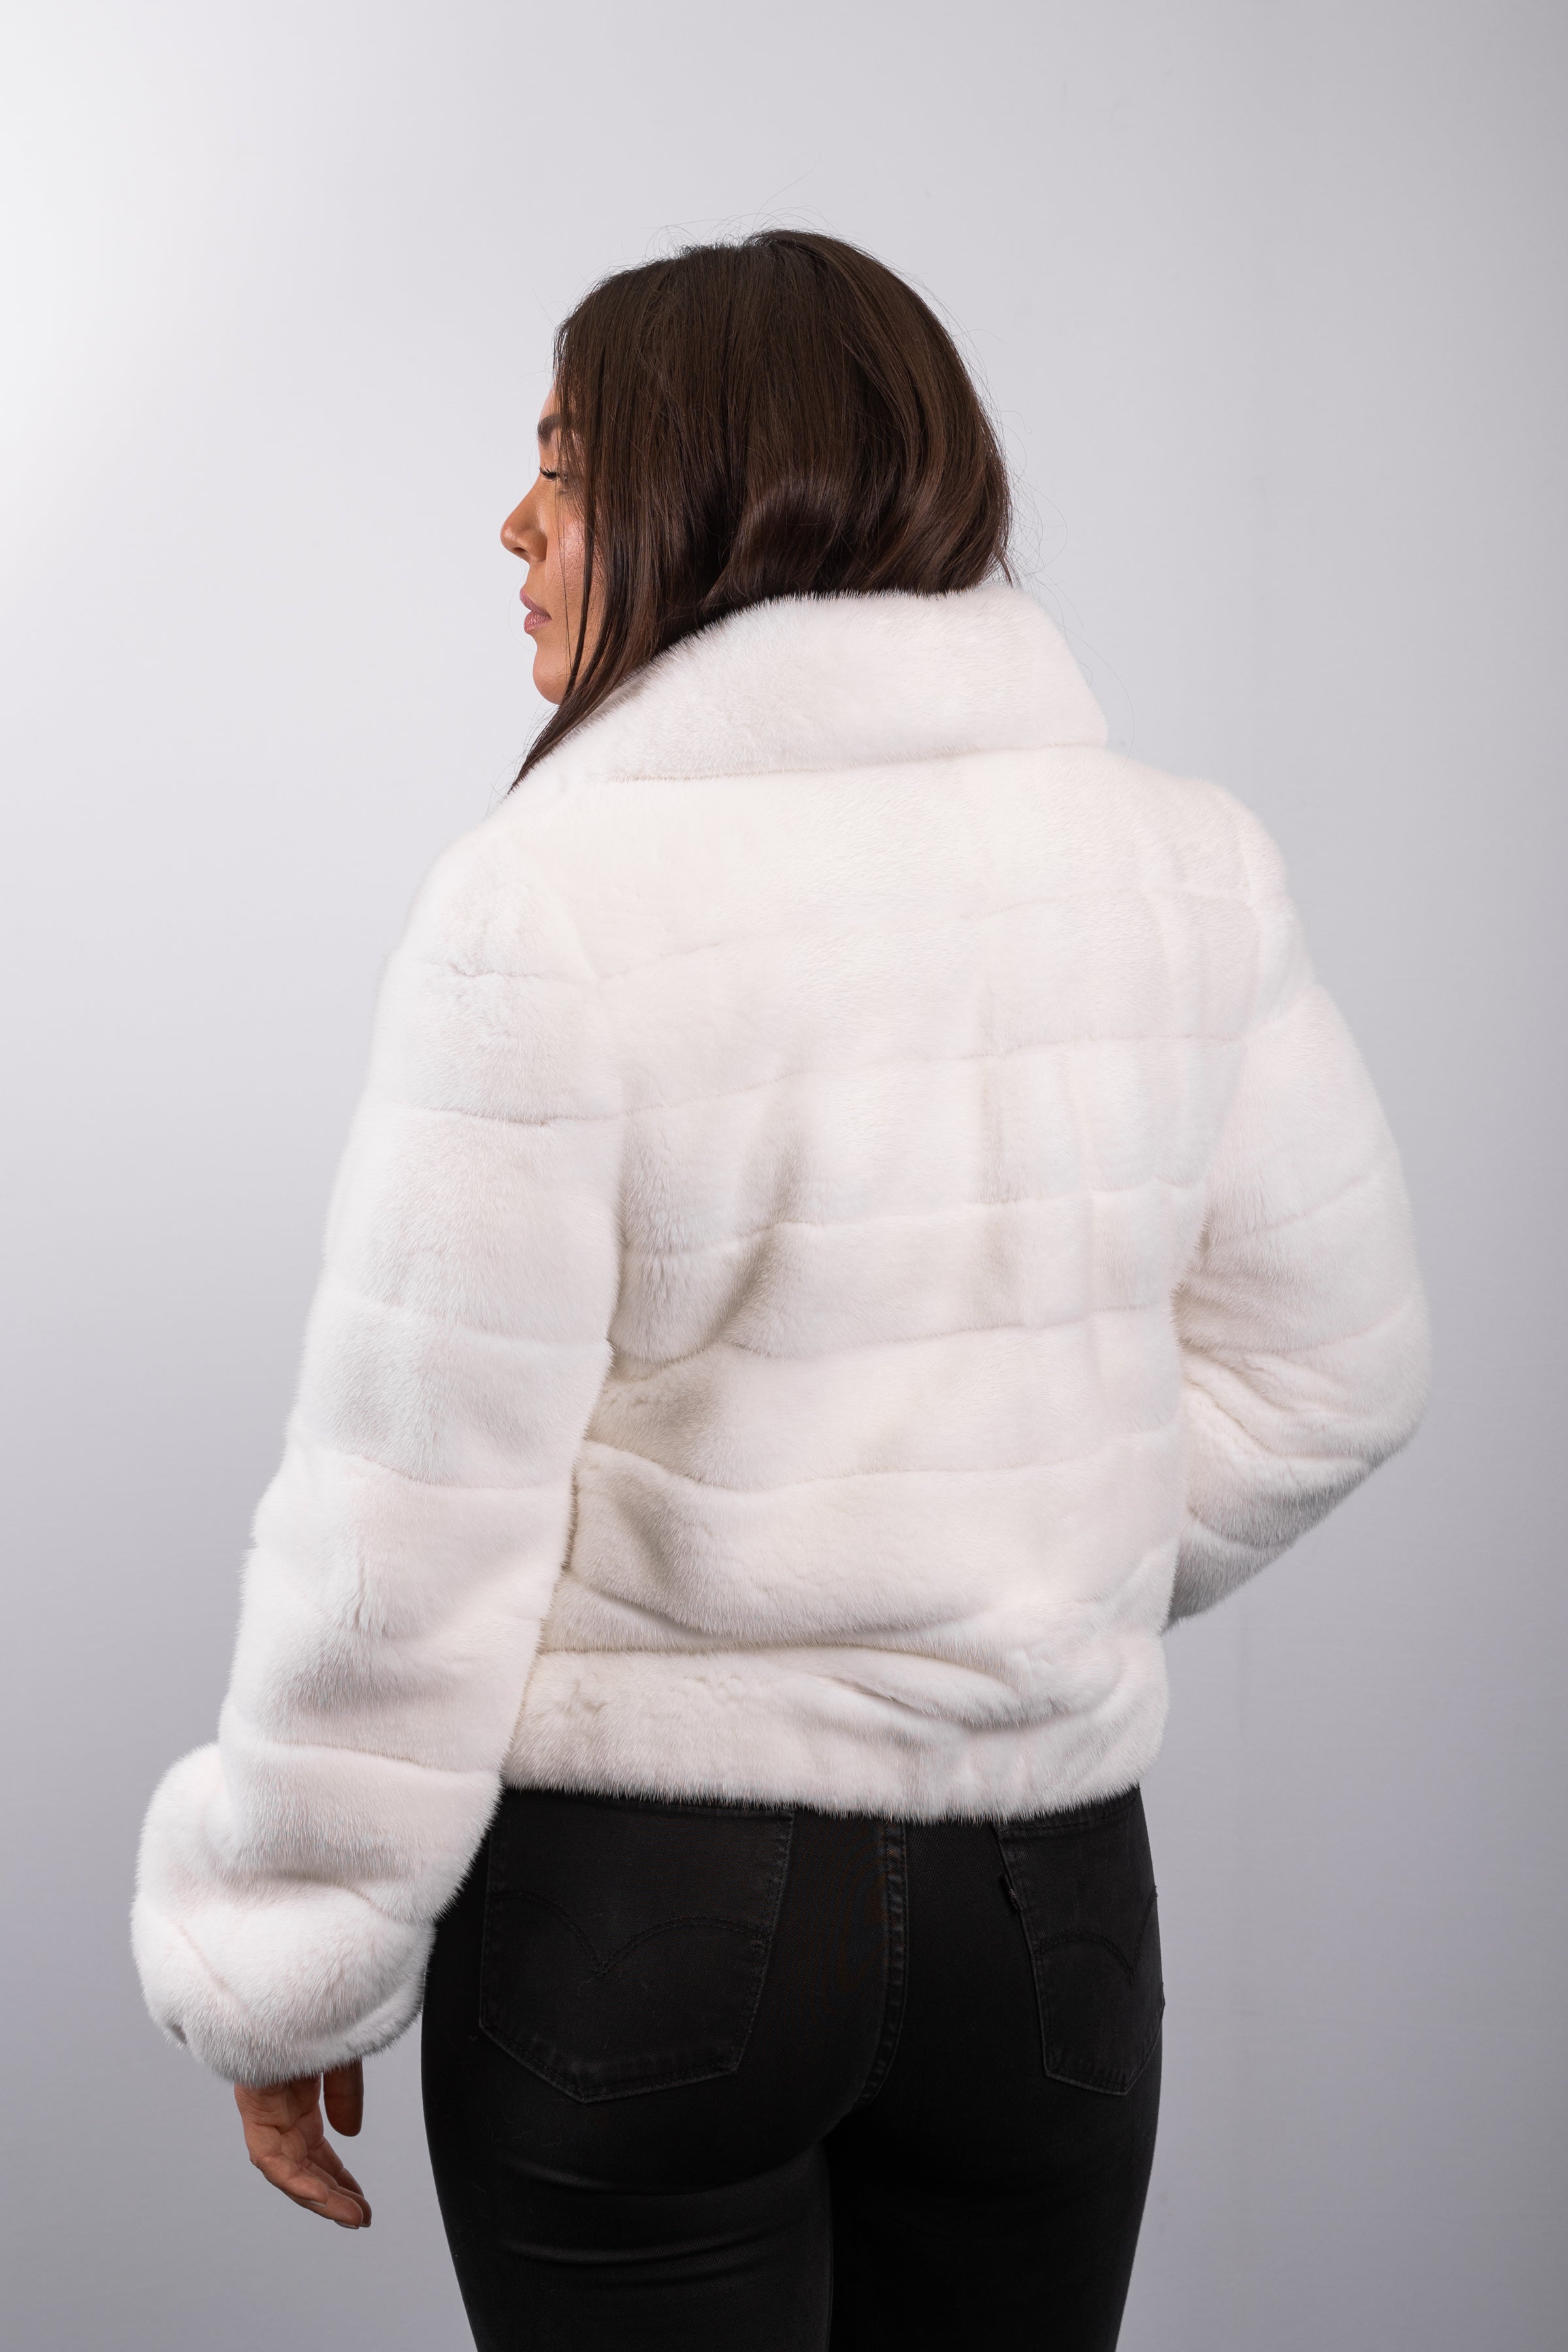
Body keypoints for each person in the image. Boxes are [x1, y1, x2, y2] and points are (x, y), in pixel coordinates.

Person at [132, 231, 1429, 2351]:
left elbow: (413, 1522)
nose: (517, 523)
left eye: (568, 467)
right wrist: (1007, 1580)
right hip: (1049, 1922)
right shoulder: (1184, 870)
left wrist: (293, 1952)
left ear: (713, 496)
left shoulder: (550, 904)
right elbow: (1340, 1371)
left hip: (648, 1917)